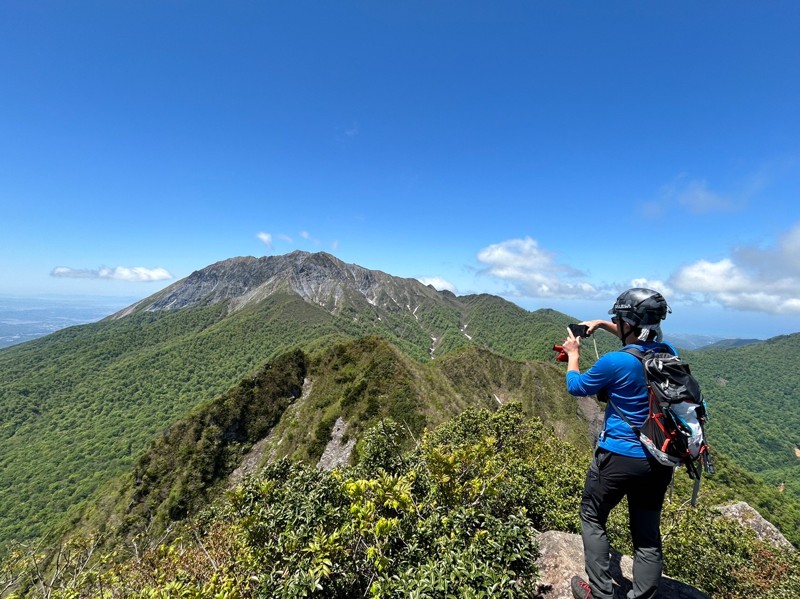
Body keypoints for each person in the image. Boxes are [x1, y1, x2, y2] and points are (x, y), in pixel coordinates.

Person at [561, 288, 676, 599]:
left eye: (617, 319)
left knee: (592, 515)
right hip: (659, 458)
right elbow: (636, 340)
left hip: (619, 457)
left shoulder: (614, 363)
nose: (615, 323)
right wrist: (600, 323)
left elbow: (577, 386)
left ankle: (600, 594)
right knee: (647, 535)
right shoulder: (667, 352)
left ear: (628, 322)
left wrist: (573, 355)